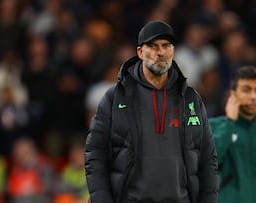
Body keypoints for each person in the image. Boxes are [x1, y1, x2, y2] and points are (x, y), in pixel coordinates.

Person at [85, 20, 218, 203]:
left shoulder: (190, 98)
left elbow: (208, 159)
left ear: (173, 51)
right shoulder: (115, 98)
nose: (160, 52)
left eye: (166, 46)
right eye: (153, 46)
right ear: (140, 52)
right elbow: (95, 154)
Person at [209, 66, 256, 203]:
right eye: (246, 90)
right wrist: (230, 123)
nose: (253, 97)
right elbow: (207, 163)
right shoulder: (213, 127)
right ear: (233, 95)